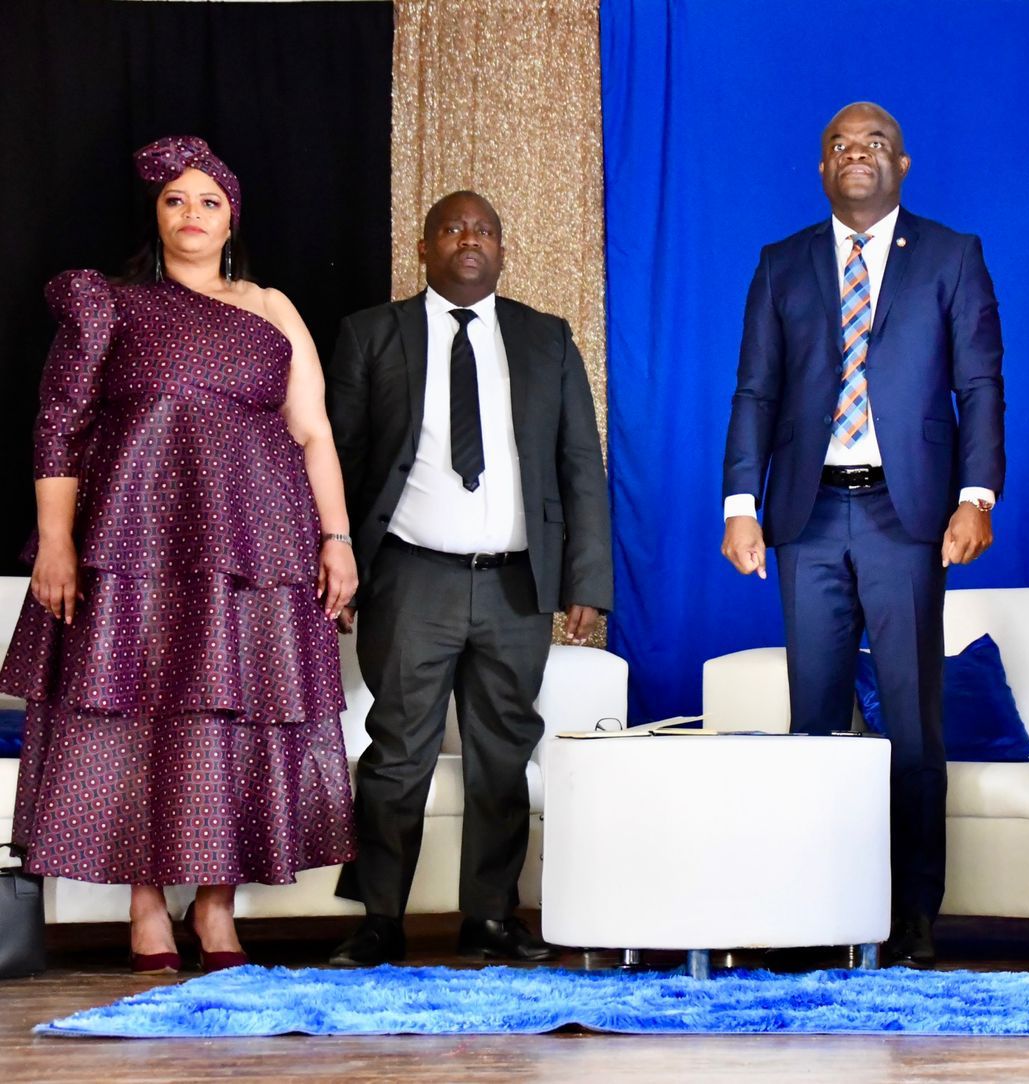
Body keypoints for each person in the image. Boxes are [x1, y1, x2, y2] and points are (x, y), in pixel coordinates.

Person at [0, 135, 358, 973]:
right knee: (146, 718)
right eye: (174, 200)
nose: (191, 213)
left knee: (236, 718)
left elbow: (313, 431)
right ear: (155, 216)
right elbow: (60, 424)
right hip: (140, 548)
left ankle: (216, 906)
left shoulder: (272, 307)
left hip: (259, 549)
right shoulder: (111, 304)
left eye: (208, 201)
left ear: (233, 218)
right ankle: (147, 904)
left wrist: (336, 539)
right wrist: (56, 541)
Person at [720, 102, 1004, 967]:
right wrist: (739, 504)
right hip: (805, 518)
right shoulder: (782, 263)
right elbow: (756, 391)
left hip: (906, 516)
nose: (858, 154)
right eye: (841, 145)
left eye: (876, 143)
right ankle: (816, 916)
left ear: (902, 164)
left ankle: (913, 918)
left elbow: (980, 386)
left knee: (912, 726)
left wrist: (977, 496)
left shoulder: (952, 255)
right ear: (821, 168)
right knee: (813, 722)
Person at [325, 190, 612, 966]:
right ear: (424, 248)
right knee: (397, 750)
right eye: (452, 228)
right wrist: (337, 561)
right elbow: (340, 460)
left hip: (517, 584)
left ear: (502, 249)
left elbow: (580, 466)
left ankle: (489, 917)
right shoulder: (372, 334)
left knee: (503, 752)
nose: (469, 239)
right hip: (411, 578)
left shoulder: (547, 338)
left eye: (484, 229)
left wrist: (587, 579)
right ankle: (380, 919)